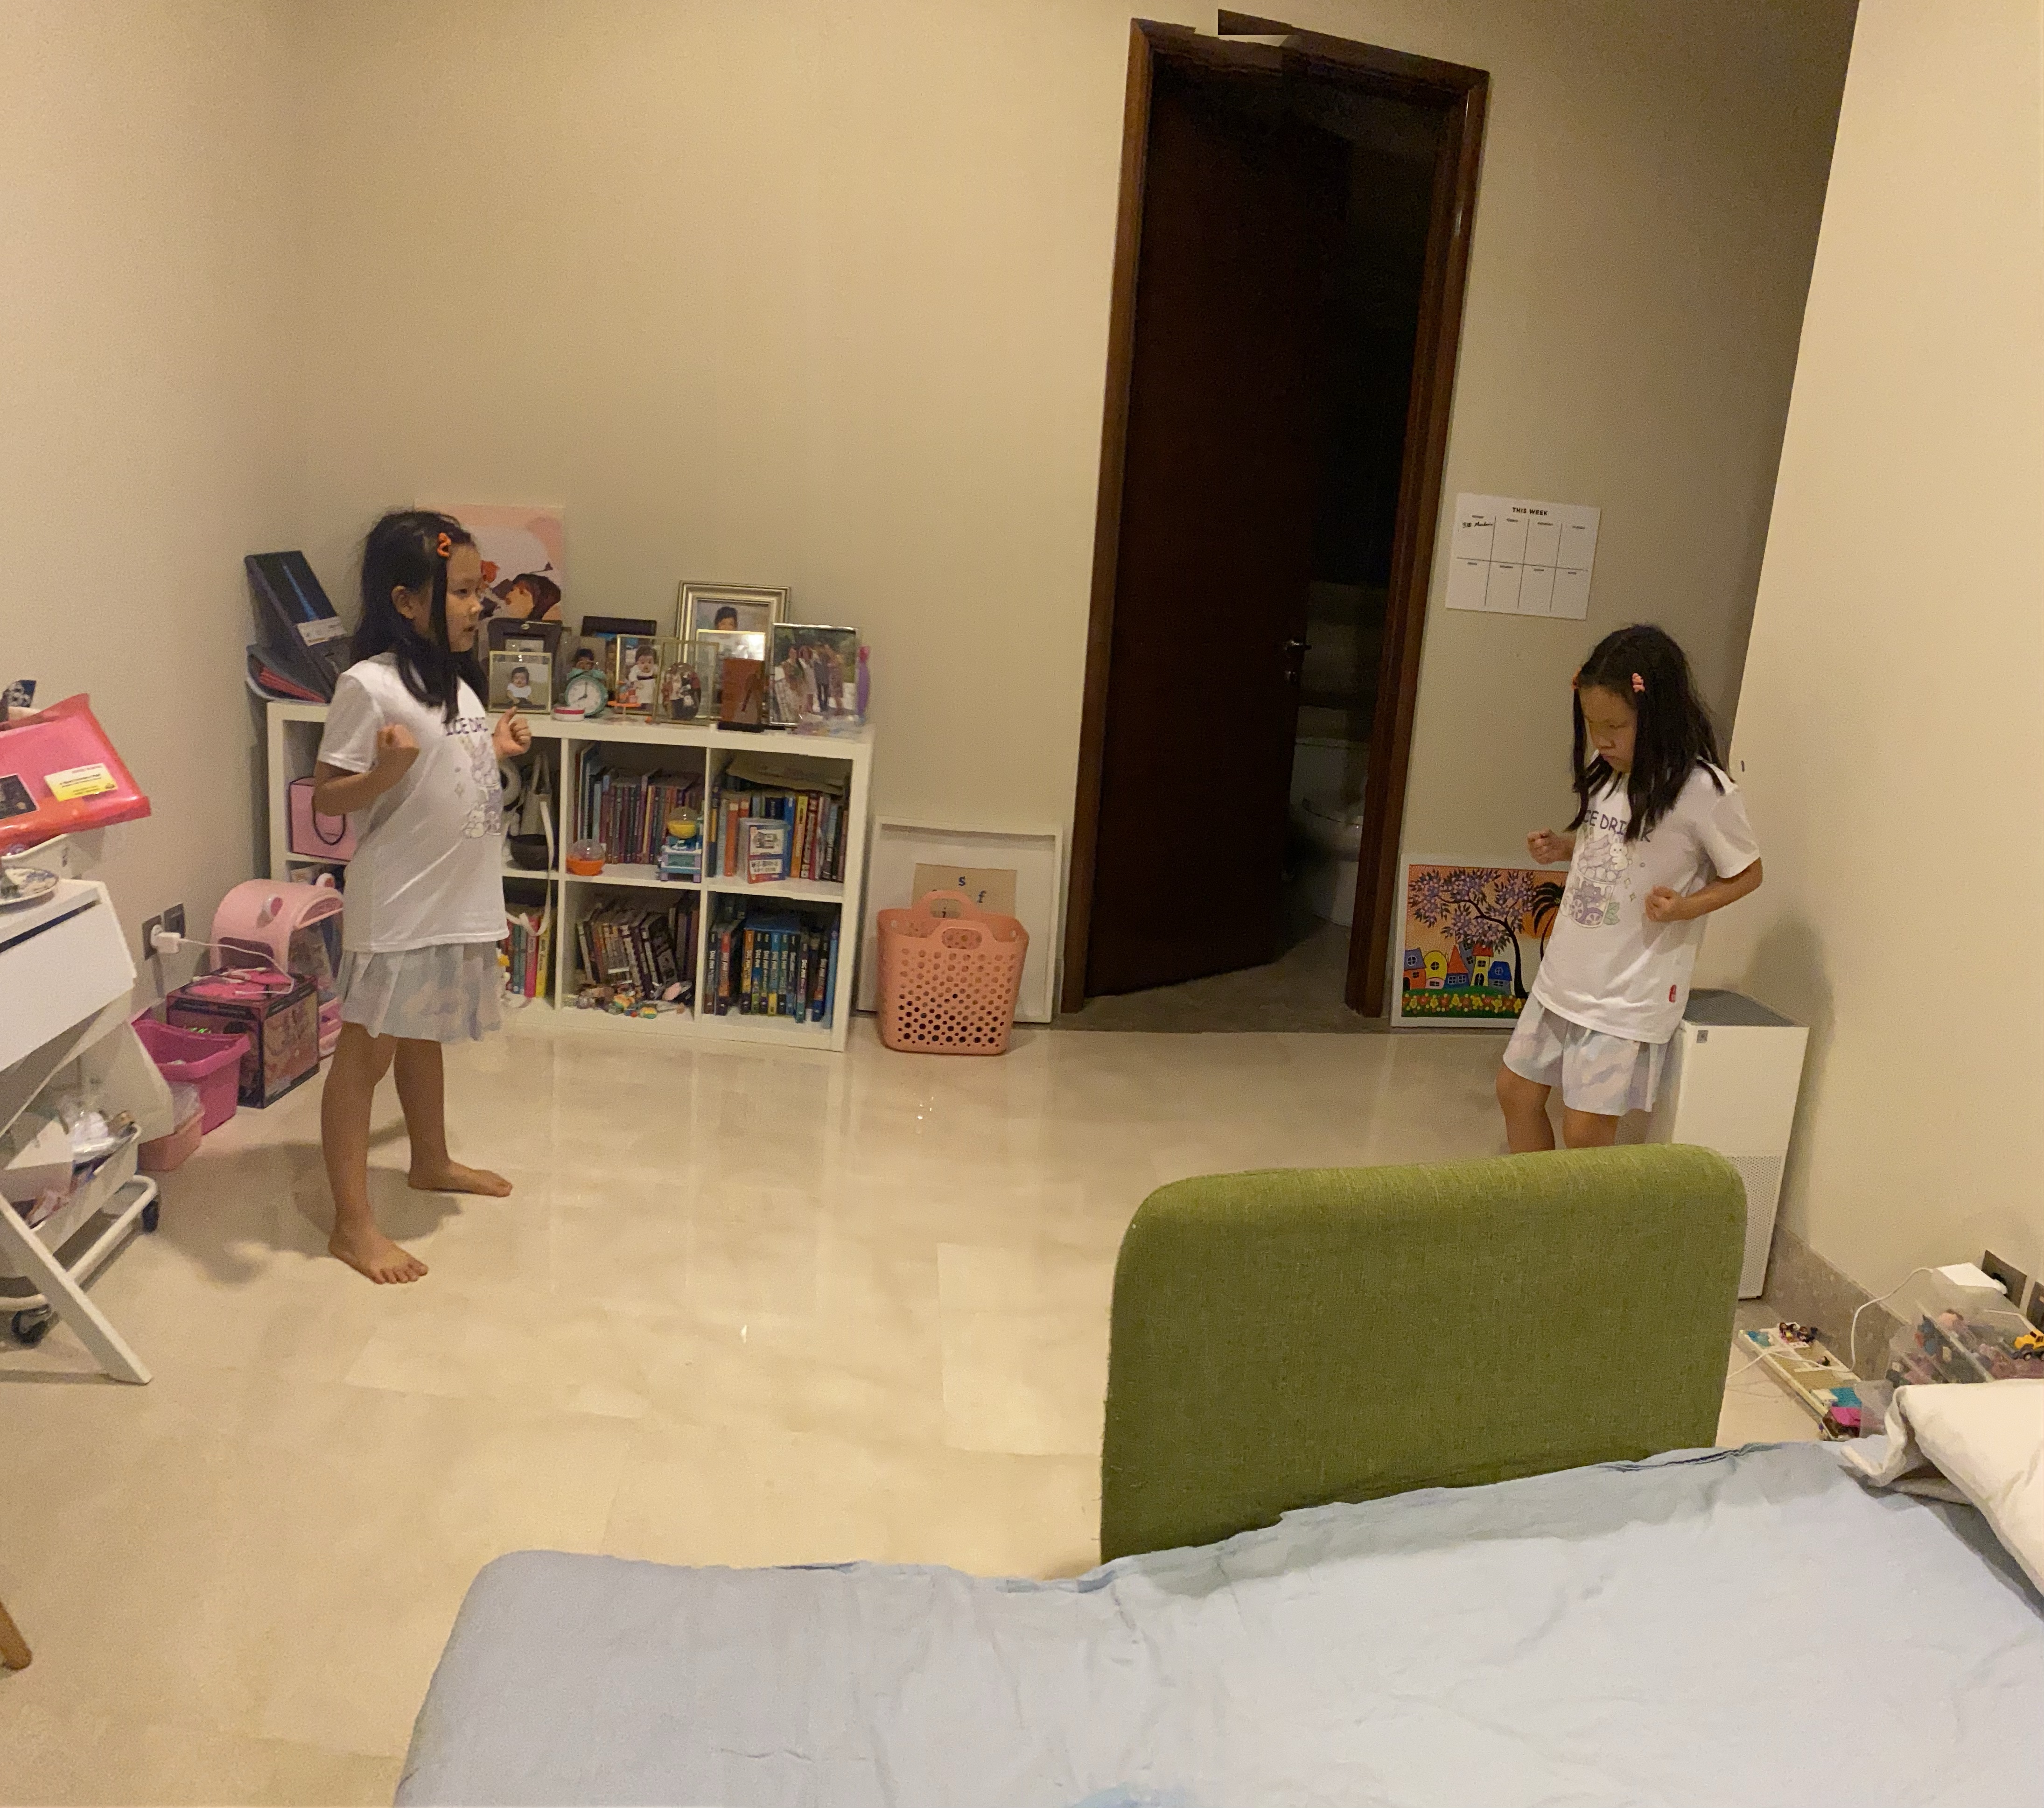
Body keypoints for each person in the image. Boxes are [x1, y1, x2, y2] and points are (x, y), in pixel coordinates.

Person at [311, 511, 532, 1282]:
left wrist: (493, 747)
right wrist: (384, 774)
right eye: (462, 591)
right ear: (406, 601)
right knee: (365, 1056)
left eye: (479, 590)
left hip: (452, 896)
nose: (478, 606)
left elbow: (445, 765)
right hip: (399, 901)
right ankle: (351, 1223)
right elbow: (328, 796)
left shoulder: (454, 681)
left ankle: (429, 1159)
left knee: (423, 1033)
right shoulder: (367, 685)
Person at [1497, 623, 1763, 1154]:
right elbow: (1615, 843)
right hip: (1565, 976)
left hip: (1625, 996)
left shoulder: (1703, 790)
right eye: (1593, 725)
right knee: (1515, 1092)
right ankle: (1536, 1202)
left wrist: (1688, 906)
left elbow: (1748, 873)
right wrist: (1565, 847)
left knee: (1585, 1132)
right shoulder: (1609, 771)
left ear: (1657, 713)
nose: (1602, 740)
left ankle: (1585, 1212)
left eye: (1616, 726)